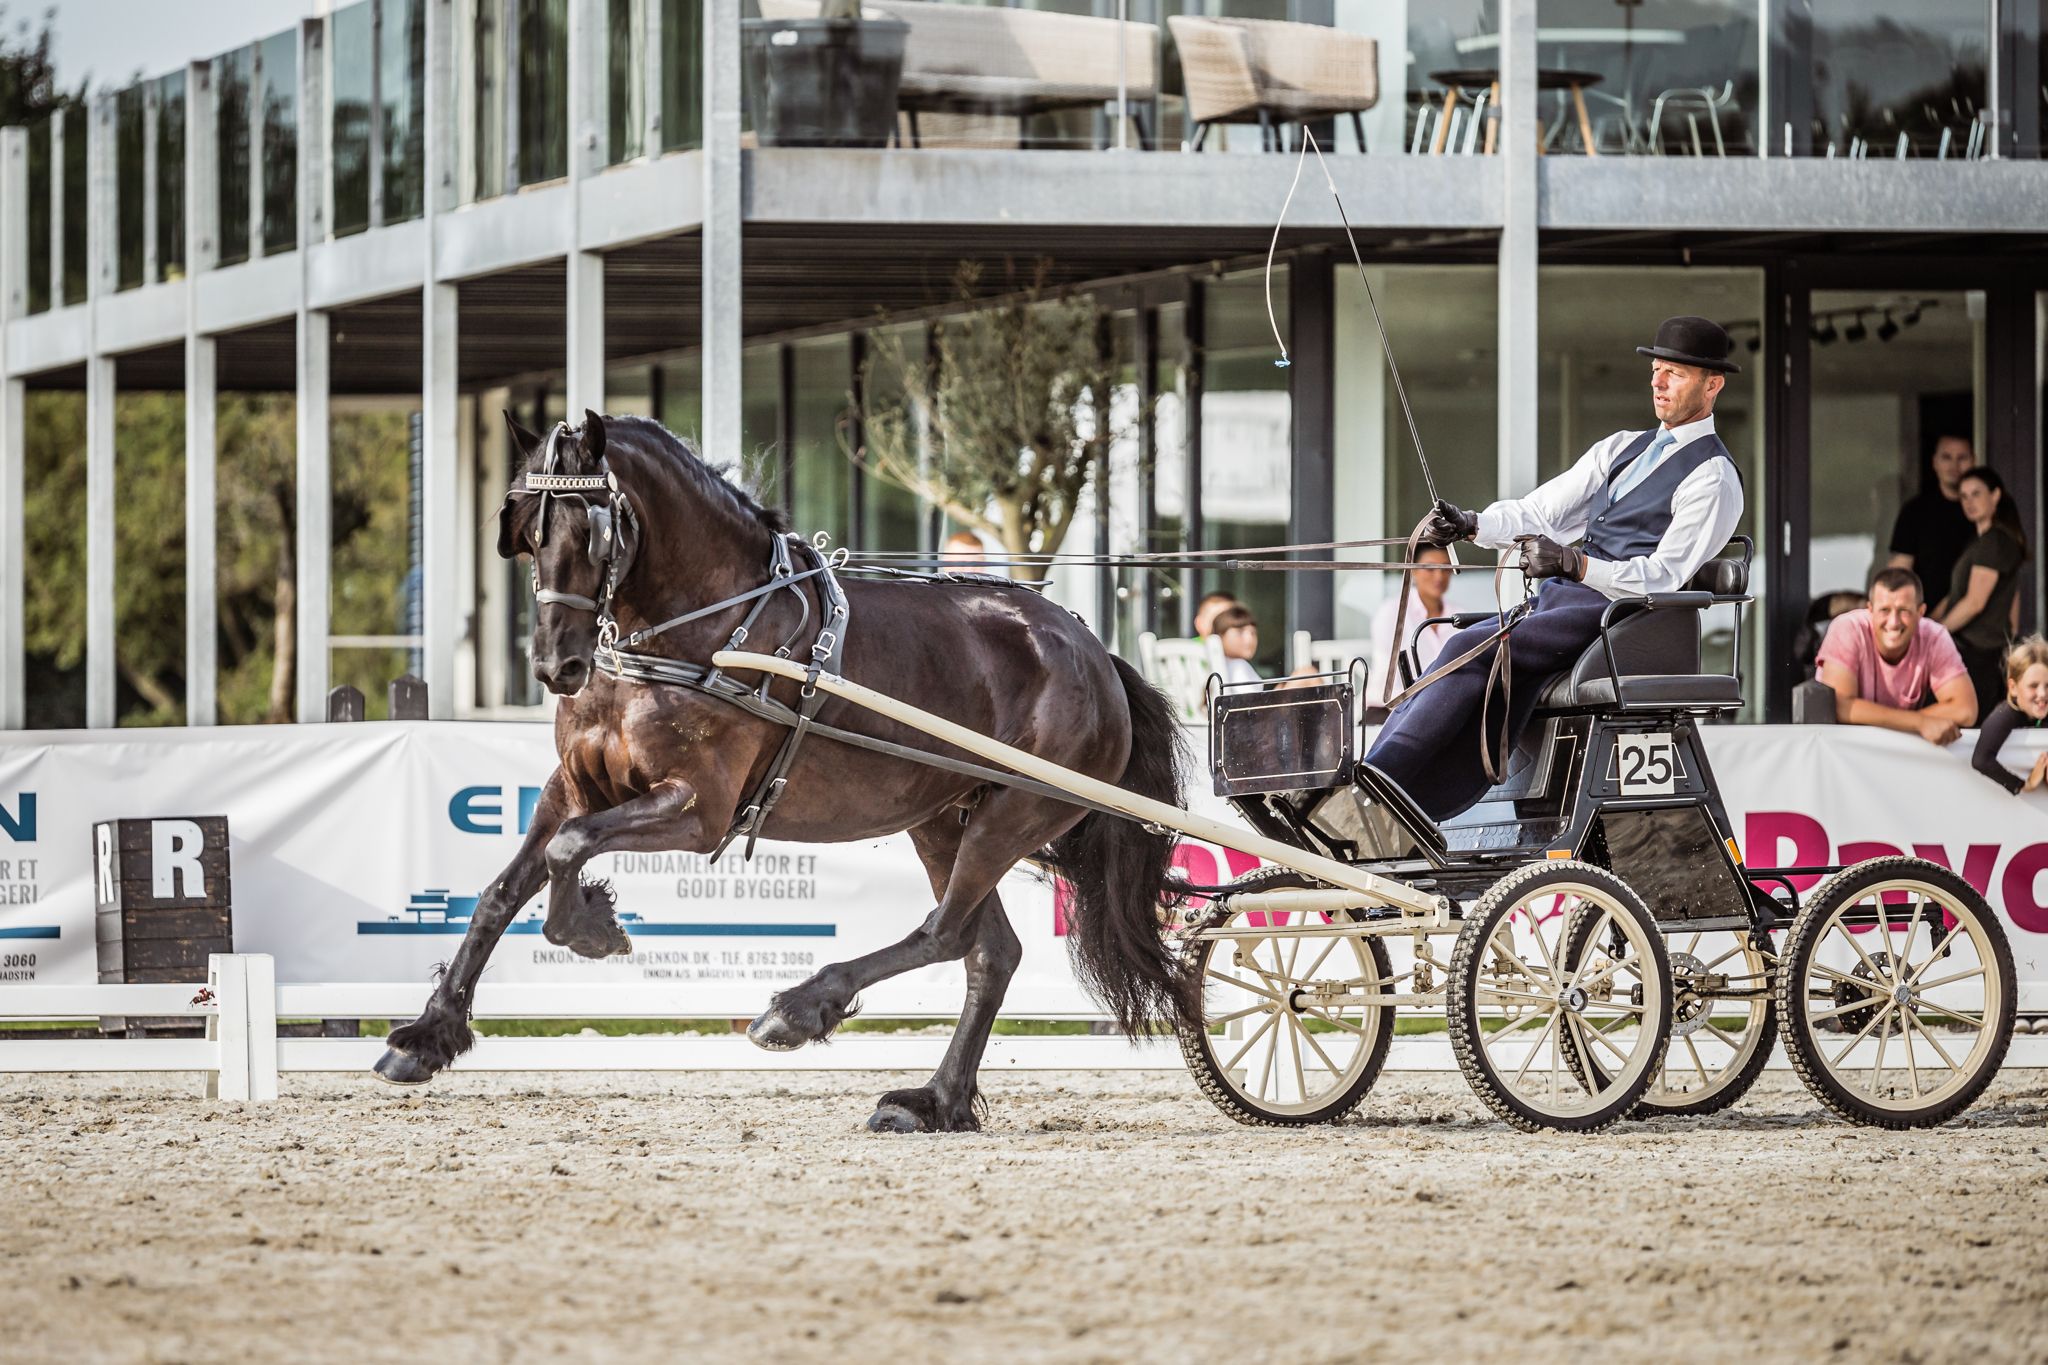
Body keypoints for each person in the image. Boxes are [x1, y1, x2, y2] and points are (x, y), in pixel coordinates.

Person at [1362, 316, 1747, 821]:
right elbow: (1541, 513)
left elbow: (1663, 576)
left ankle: (1383, 785)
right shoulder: (1622, 448)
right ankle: (1380, 779)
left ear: (1712, 384)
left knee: (1465, 648)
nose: (1657, 382)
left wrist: (1575, 562)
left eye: (1673, 373)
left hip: (1622, 619)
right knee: (1460, 644)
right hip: (1564, 603)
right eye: (1656, 369)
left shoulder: (1714, 477)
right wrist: (1473, 524)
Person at [1814, 568, 1977, 744]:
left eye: (1903, 610)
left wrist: (1903, 723)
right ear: (1870, 610)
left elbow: (1965, 710)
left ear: (1920, 612)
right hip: (1843, 747)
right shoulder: (1847, 627)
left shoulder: (1935, 636)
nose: (1893, 622)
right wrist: (1918, 723)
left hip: (1895, 749)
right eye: (1884, 610)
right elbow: (1840, 706)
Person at [1934, 466, 2028, 718]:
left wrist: (1935, 633)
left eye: (1976, 493)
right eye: (1963, 496)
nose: (1969, 502)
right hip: (1984, 651)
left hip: (1978, 653)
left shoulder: (1994, 541)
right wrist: (1929, 621)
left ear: (1995, 495)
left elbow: (1974, 602)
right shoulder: (1983, 541)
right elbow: (1957, 595)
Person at [1887, 432, 1976, 609]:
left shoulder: (1982, 512)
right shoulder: (1915, 511)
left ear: (1974, 461)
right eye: (1946, 457)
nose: (1954, 465)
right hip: (1926, 615)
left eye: (1962, 458)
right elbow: (1900, 570)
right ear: (1934, 462)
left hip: (1977, 618)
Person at [1367, 545, 1455, 707]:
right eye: (1430, 568)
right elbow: (1388, 670)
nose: (1439, 576)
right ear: (1413, 570)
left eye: (1445, 568)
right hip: (1390, 706)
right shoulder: (1393, 612)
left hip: (1438, 705)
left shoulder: (1458, 615)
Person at [1969, 636, 2048, 795]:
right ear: (2013, 687)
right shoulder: (2004, 716)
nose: (2042, 693)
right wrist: (2024, 784)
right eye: (2033, 686)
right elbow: (1981, 759)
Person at [1211, 604, 1264, 686]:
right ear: (1220, 636)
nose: (1249, 638)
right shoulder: (1238, 666)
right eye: (1240, 632)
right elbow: (1249, 694)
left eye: (1253, 633)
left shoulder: (1217, 666)